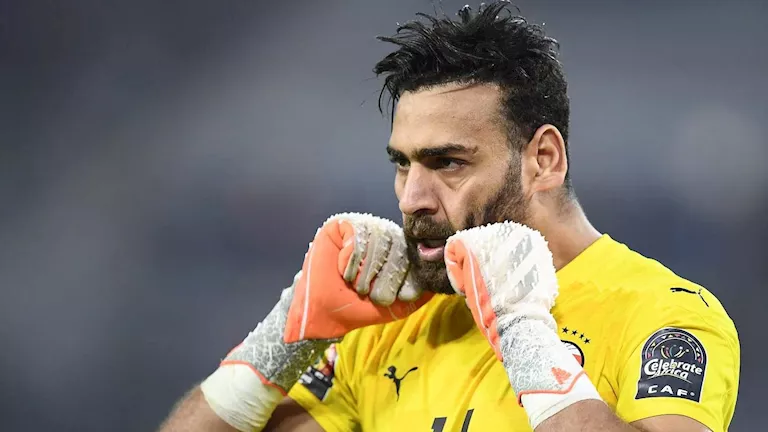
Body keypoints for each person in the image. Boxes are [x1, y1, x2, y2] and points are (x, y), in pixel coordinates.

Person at [159, 2, 739, 431]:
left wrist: (524, 334)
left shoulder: (665, 316)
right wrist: (283, 338)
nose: (412, 197)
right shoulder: (384, 324)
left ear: (543, 159)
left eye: (448, 163)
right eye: (403, 164)